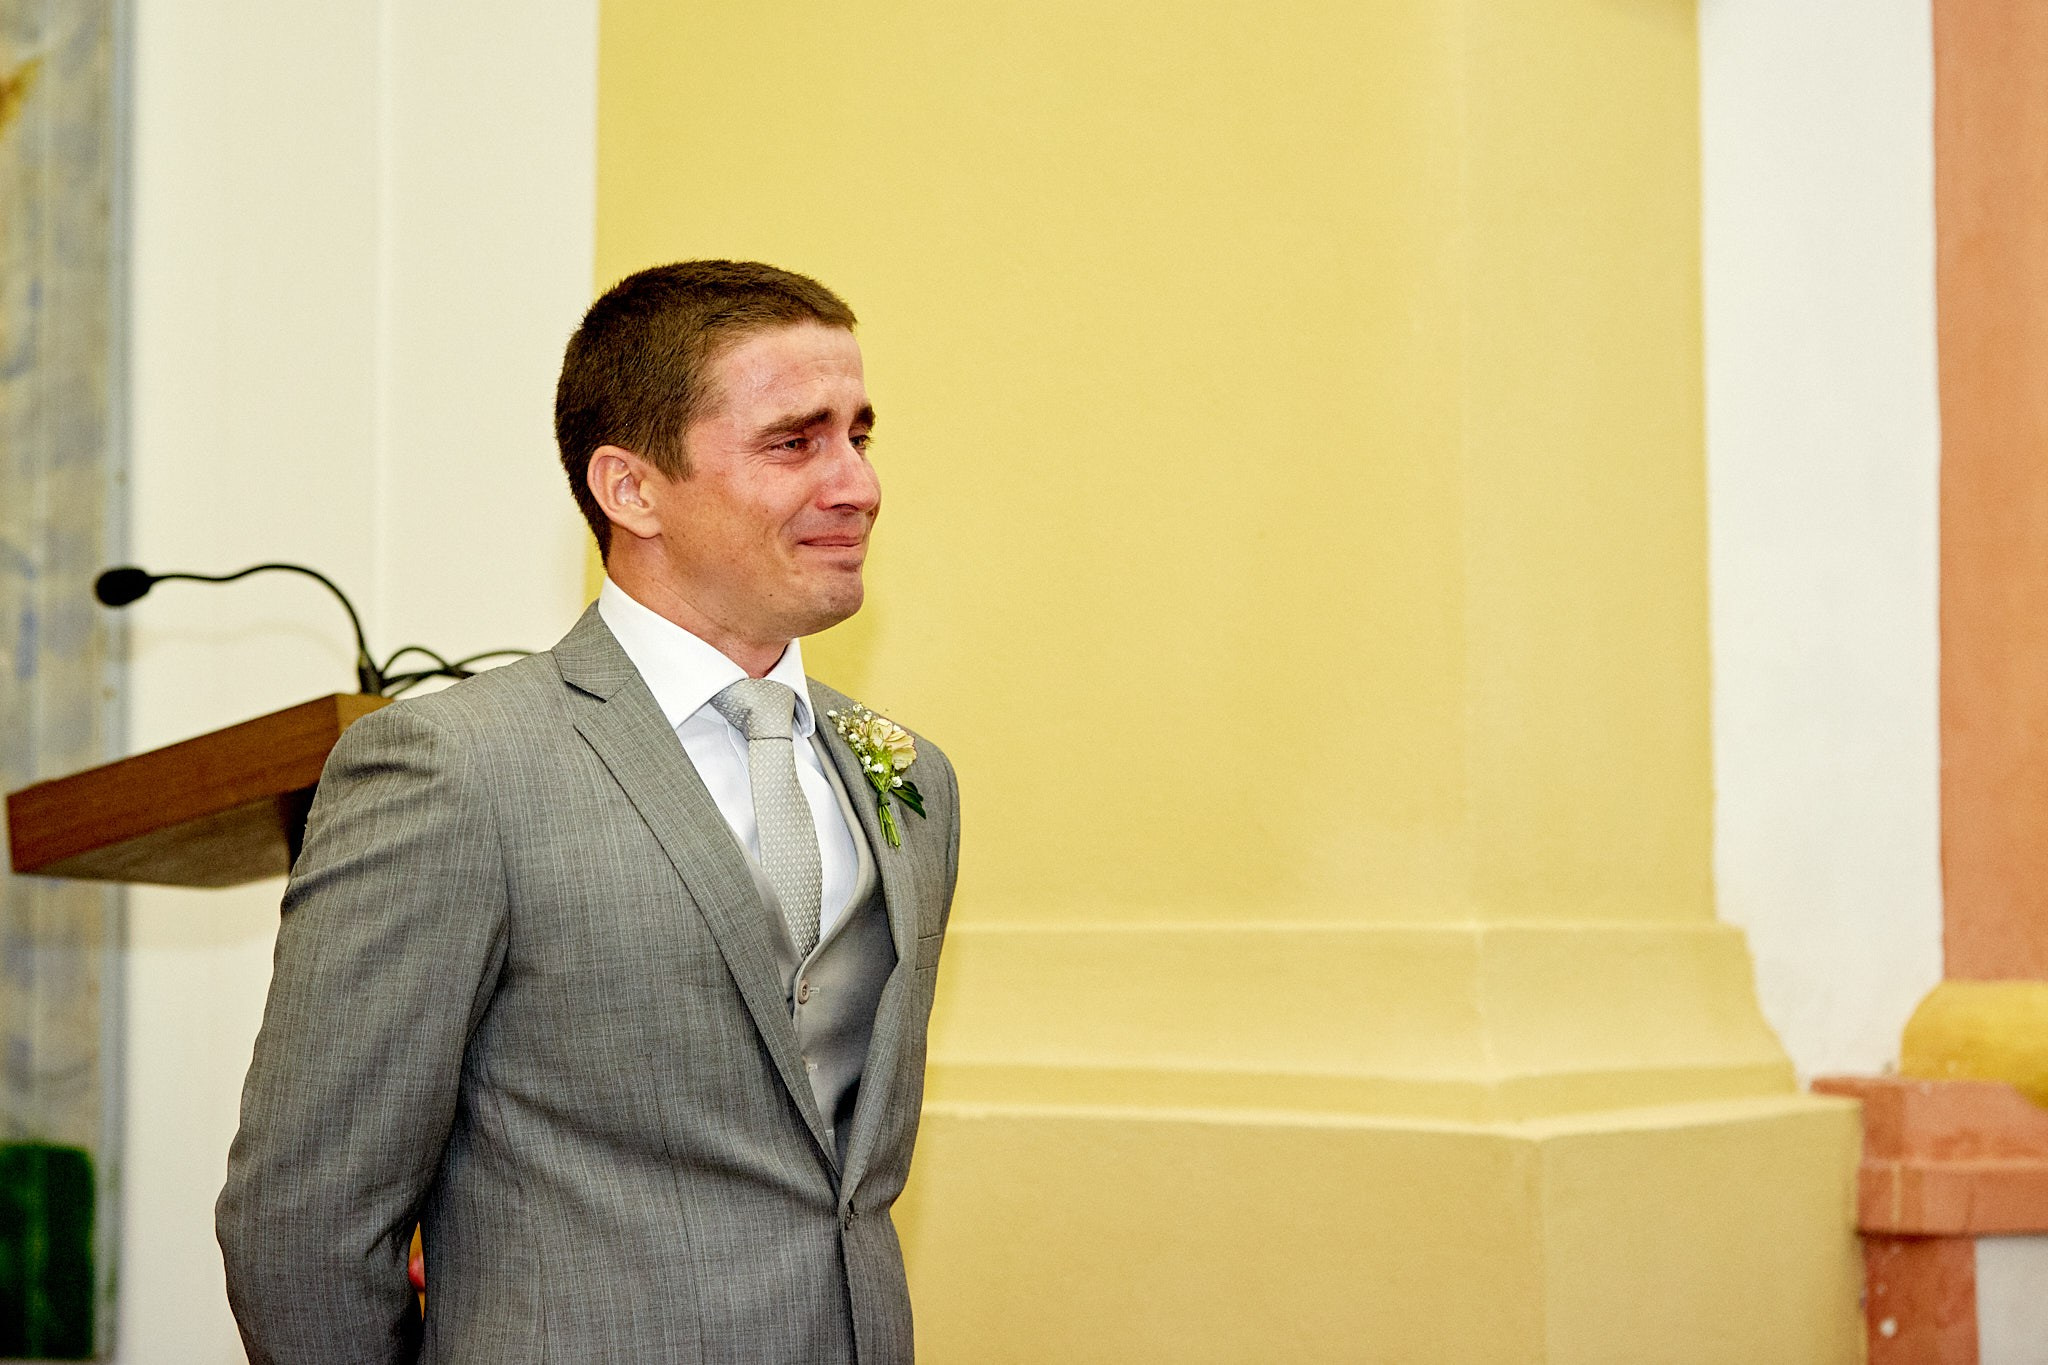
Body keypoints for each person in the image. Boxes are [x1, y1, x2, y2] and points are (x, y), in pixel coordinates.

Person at [217, 260, 960, 1364]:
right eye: (794, 441)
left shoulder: (908, 775)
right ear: (632, 490)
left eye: (860, 433)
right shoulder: (455, 767)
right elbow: (304, 1224)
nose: (856, 483)